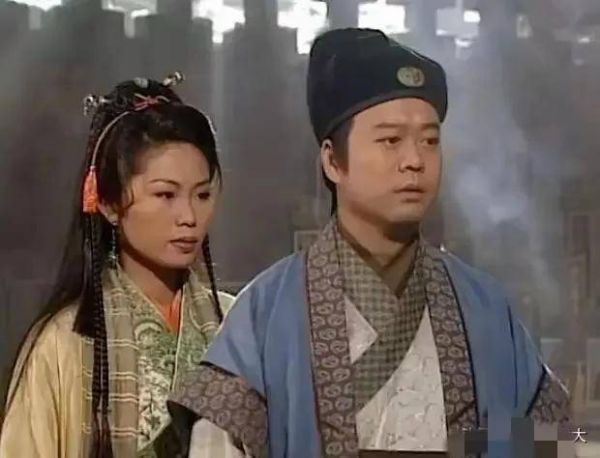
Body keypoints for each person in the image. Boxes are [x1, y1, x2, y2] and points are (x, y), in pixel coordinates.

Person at [168, 29, 571, 457]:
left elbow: (554, 443)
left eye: (430, 141)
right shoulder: (265, 314)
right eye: (391, 140)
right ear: (332, 160)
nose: (414, 160)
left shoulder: (485, 308)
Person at [0, 73, 234, 457]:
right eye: (166, 195)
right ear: (108, 203)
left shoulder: (237, 325)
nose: (189, 216)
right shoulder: (63, 342)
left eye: (202, 195)